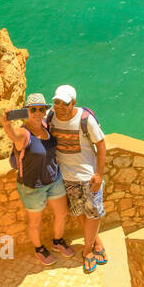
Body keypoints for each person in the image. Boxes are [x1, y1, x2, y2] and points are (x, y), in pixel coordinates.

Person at [1, 93, 74, 265]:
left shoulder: (46, 125)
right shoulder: (23, 134)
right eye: (33, 109)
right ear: (26, 111)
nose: (38, 113)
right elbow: (11, 133)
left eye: (41, 109)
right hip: (33, 187)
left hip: (54, 179)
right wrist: (6, 123)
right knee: (35, 222)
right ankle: (39, 248)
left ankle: (57, 242)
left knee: (62, 213)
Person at [48, 84, 109, 274]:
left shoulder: (85, 119)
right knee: (79, 212)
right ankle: (97, 242)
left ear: (73, 103)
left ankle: (87, 251)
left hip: (88, 177)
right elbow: (33, 124)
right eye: (56, 102)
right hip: (66, 177)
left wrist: (99, 174)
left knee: (94, 214)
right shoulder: (49, 116)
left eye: (64, 103)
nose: (59, 106)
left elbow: (101, 145)